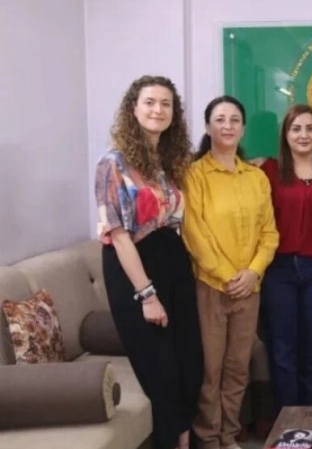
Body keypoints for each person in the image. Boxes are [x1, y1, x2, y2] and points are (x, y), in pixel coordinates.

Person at [94, 75, 202, 449]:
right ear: (133, 109)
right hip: (135, 268)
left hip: (173, 259)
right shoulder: (113, 163)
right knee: (163, 373)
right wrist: (147, 294)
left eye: (166, 104)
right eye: (150, 102)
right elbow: (119, 235)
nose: (158, 110)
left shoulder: (167, 162)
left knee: (190, 363)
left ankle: (184, 443)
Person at [182, 95, 280, 449]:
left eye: (234, 120)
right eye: (220, 120)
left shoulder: (256, 177)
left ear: (243, 128)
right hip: (211, 287)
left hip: (249, 288)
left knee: (238, 368)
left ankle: (228, 436)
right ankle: (209, 438)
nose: (227, 126)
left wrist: (253, 273)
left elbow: (269, 233)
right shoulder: (194, 175)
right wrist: (228, 276)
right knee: (211, 369)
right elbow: (195, 234)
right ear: (208, 128)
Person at [259, 105, 312, 410]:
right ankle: (288, 423)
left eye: (310, 128)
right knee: (283, 351)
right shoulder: (268, 170)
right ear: (285, 134)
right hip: (278, 271)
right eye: (296, 129)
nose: (303, 135)